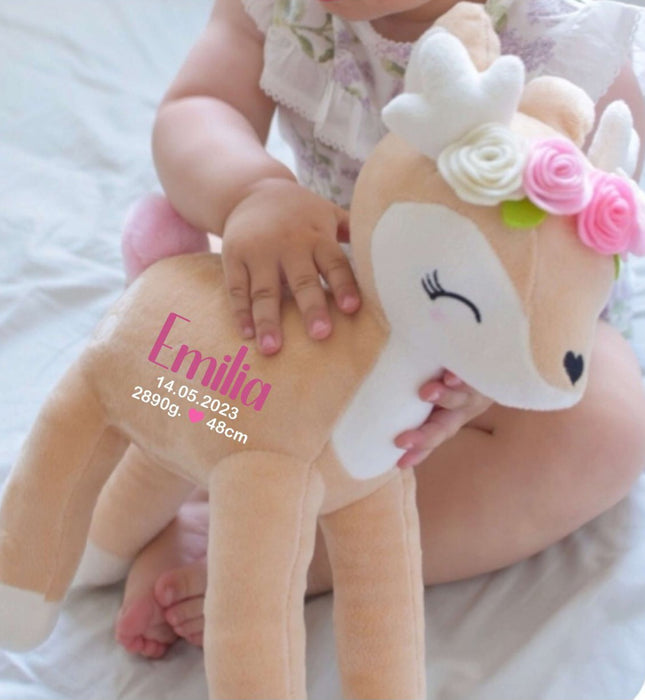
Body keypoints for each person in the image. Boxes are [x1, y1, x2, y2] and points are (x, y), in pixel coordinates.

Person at [113, 0, 645, 659]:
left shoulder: (563, 34)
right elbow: (199, 107)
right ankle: (212, 490)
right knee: (200, 330)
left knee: (605, 428)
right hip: (331, 281)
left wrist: (486, 373)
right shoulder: (281, 10)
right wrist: (249, 192)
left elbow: (584, 232)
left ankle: (308, 549)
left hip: (501, 329)